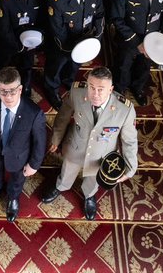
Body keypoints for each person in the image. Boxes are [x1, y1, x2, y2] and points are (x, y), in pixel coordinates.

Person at [42, 64, 138, 218]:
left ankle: (89, 195)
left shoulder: (124, 110)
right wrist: (56, 138)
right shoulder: (77, 92)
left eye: (101, 89)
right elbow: (63, 116)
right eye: (91, 87)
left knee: (94, 179)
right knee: (68, 169)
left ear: (111, 89)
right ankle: (61, 186)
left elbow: (129, 141)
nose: (95, 94)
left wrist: (131, 167)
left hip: (101, 154)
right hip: (76, 145)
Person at [0, 65, 47, 221]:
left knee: (17, 179)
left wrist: (34, 164)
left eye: (12, 91)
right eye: (3, 91)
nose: (8, 97)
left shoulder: (33, 113)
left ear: (20, 89)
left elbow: (40, 143)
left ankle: (13, 197)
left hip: (19, 157)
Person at [44, 0, 106, 107]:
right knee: (56, 67)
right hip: (63, 43)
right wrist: (71, 48)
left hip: (85, 38)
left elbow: (99, 14)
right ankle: (51, 89)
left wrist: (95, 39)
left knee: (74, 65)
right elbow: (58, 30)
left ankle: (68, 81)